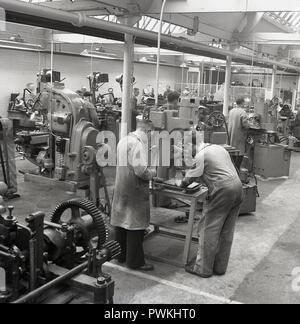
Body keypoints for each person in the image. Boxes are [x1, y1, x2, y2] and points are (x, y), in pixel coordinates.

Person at [182, 139, 243, 278]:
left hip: (222, 191)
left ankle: (202, 268)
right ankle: (220, 267)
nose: (187, 153)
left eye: (187, 149)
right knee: (226, 230)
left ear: (193, 144)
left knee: (208, 229)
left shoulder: (200, 156)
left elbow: (186, 181)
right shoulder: (219, 148)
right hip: (238, 188)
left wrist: (181, 182)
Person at [111, 119, 156, 271]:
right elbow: (141, 171)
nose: (150, 138)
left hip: (121, 187)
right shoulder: (137, 144)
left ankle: (120, 255)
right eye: (150, 135)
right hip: (134, 191)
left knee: (122, 224)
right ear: (147, 131)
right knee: (135, 227)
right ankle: (135, 261)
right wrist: (153, 173)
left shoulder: (123, 140)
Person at [228, 98, 250, 164]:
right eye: (244, 103)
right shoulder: (243, 112)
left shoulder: (231, 111)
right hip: (239, 136)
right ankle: (237, 170)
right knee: (239, 153)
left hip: (231, 135)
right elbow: (245, 125)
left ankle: (233, 169)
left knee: (232, 153)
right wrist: (250, 125)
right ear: (242, 103)